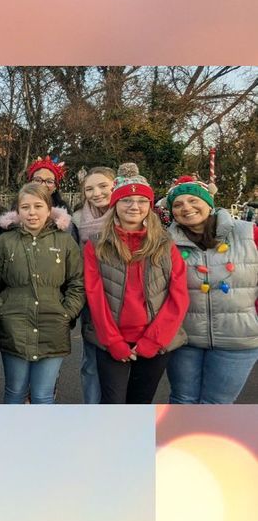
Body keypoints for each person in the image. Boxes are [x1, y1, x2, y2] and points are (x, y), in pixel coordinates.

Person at [84, 172, 189, 404]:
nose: (135, 206)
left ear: (149, 206)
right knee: (112, 404)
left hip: (155, 341)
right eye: (127, 200)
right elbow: (95, 295)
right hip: (112, 340)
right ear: (115, 204)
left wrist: (153, 340)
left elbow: (178, 296)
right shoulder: (97, 244)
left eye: (142, 201)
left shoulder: (164, 244)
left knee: (140, 403)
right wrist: (113, 341)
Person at [0, 182, 84, 404]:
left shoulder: (65, 242)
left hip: (53, 327)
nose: (32, 212)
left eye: (38, 206)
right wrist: (2, 310)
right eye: (25, 207)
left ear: (49, 209)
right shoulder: (4, 242)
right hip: (14, 328)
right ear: (18, 211)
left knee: (43, 394)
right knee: (15, 391)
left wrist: (67, 313)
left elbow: (78, 282)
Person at [165, 176, 258, 404]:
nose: (186, 207)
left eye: (193, 200)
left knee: (216, 405)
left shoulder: (248, 233)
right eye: (177, 204)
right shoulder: (166, 242)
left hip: (237, 340)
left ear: (209, 203)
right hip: (185, 340)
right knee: (182, 400)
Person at [71, 166, 116, 404]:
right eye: (89, 189)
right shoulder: (78, 219)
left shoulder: (129, 211)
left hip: (124, 294)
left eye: (103, 186)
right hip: (93, 295)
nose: (96, 193)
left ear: (114, 186)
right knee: (91, 361)